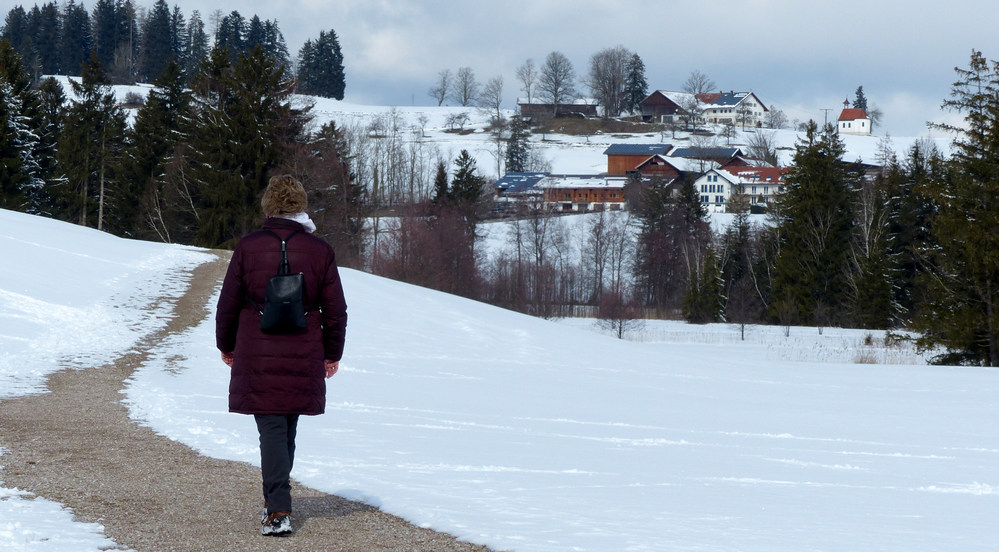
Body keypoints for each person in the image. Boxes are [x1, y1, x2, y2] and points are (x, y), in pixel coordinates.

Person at [215, 175, 347, 537]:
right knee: (284, 424)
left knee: (274, 426)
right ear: (301, 205)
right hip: (304, 348)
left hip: (257, 350)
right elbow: (336, 310)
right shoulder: (320, 250)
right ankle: (277, 501)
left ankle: (277, 509)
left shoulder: (249, 246)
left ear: (269, 206)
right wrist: (332, 352)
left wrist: (226, 346)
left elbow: (228, 304)